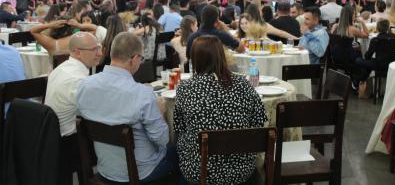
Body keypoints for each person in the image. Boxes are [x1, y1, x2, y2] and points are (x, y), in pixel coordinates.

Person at [77, 32, 178, 183]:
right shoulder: (142, 94)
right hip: (140, 173)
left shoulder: (84, 85)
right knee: (182, 152)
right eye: (141, 58)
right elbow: (162, 139)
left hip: (105, 168)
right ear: (134, 59)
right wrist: (159, 111)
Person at [174, 35, 267, 184]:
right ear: (221, 56)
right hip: (241, 170)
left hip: (200, 170)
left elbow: (180, 128)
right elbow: (258, 122)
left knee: (176, 147)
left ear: (195, 59)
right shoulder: (243, 83)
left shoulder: (185, 88)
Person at [45, 32, 101, 137]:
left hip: (51, 133)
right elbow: (96, 111)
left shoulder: (60, 68)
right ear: (78, 53)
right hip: (67, 140)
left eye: (99, 47)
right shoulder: (78, 80)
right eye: (94, 49)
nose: (99, 53)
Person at [354, 20, 395, 89]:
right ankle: (356, 82)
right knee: (368, 65)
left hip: (379, 65)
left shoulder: (375, 40)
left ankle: (356, 82)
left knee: (358, 60)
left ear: (377, 28)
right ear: (388, 27)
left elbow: (367, 56)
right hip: (393, 64)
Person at [31, 17, 98, 55]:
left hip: (57, 75)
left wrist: (49, 25)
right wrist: (79, 25)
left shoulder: (52, 44)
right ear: (72, 28)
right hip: (78, 74)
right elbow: (97, 29)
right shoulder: (79, 39)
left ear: (54, 29)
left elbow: (33, 31)